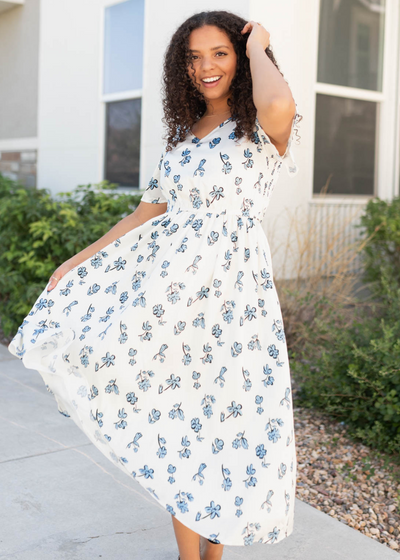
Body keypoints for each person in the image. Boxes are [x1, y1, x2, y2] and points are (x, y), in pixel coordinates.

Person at [8, 9, 302, 560]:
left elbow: (280, 102)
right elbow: (145, 212)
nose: (205, 67)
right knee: (181, 417)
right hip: (171, 297)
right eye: (193, 57)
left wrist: (259, 43)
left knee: (227, 416)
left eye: (220, 53)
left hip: (235, 297)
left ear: (240, 59)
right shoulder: (183, 140)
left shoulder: (262, 127)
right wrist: (79, 259)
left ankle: (213, 554)